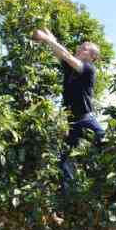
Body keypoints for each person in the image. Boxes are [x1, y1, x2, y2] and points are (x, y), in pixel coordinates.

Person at [32, 28, 105, 190]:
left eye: (84, 48)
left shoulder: (88, 69)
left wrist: (47, 39)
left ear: (92, 57)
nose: (79, 48)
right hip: (72, 122)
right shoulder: (70, 68)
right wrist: (51, 40)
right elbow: (62, 54)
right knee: (63, 161)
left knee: (104, 140)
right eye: (80, 46)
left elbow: (66, 55)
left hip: (86, 119)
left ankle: (106, 180)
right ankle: (68, 197)